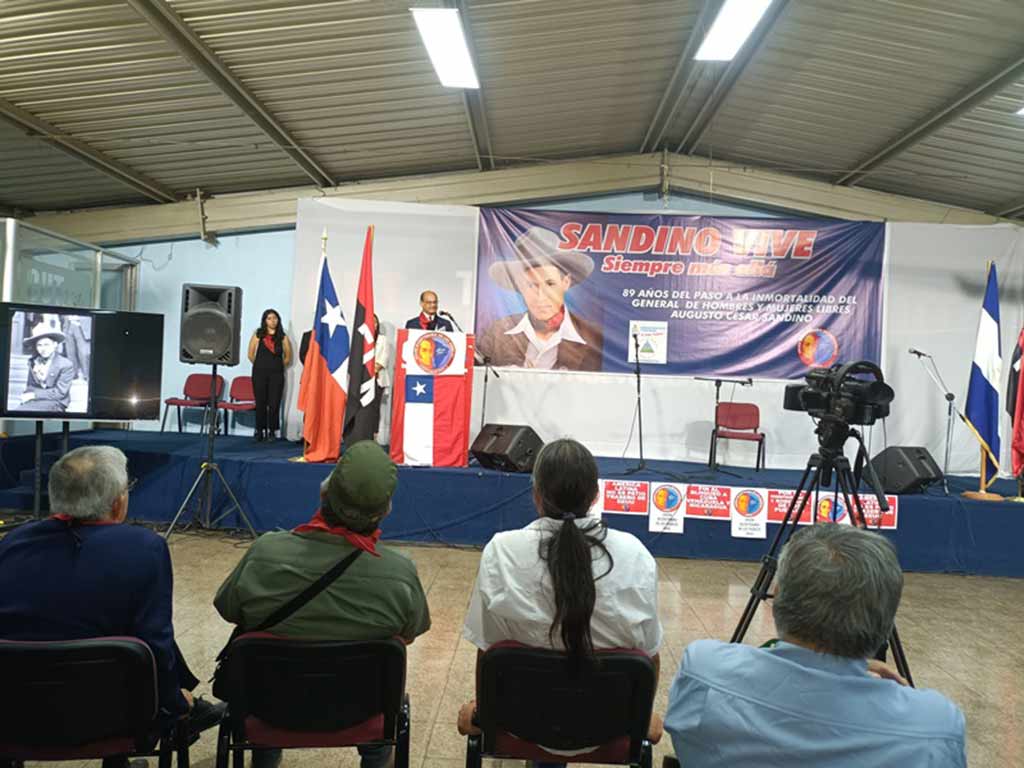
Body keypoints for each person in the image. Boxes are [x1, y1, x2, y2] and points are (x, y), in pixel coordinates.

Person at [664, 524, 966, 767]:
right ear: (886, 620)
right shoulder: (936, 727)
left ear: (778, 594)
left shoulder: (702, 671)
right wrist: (850, 666)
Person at [215, 440, 431, 768]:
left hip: (270, 705)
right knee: (383, 701)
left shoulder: (265, 553)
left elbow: (228, 609)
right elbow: (409, 634)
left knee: (261, 681)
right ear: (385, 510)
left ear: (323, 495)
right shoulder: (400, 572)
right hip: (360, 709)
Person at [0, 445, 225, 747]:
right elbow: (155, 640)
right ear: (118, 502)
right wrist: (174, 703)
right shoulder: (144, 548)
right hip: (116, 714)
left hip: (14, 708)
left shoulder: (11, 544)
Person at [458, 438, 663, 755]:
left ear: (536, 495)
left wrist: (483, 708)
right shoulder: (636, 555)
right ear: (595, 496)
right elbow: (649, 655)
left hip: (521, 720)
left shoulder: (501, 551)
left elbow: (488, 651)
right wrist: (643, 712)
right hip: (609, 723)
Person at [476, 227, 602, 371]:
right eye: (530, 285)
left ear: (565, 282)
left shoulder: (592, 336)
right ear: (519, 286)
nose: (541, 297)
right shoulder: (496, 332)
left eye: (550, 284)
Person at [247, 309, 292, 442]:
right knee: (260, 402)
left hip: (276, 375)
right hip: (259, 373)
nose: (273, 321)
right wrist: (262, 365)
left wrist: (276, 366)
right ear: (264, 321)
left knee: (274, 402)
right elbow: (250, 354)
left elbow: (288, 356)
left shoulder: (283, 337)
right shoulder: (258, 334)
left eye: (275, 318)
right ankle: (259, 430)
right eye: (269, 318)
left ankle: (272, 431)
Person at [15, 322, 75, 412]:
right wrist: (27, 395)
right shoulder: (33, 362)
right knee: (18, 411)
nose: (43, 349)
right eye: (39, 345)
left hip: (56, 402)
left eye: (46, 344)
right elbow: (30, 385)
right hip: (36, 400)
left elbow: (59, 393)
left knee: (23, 412)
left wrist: (34, 395)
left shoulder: (65, 364)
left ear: (55, 345)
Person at [61, 315, 91, 380]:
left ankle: (86, 375)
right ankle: (73, 374)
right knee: (70, 353)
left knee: (83, 353)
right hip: (68, 325)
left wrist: (78, 317)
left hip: (81, 326)